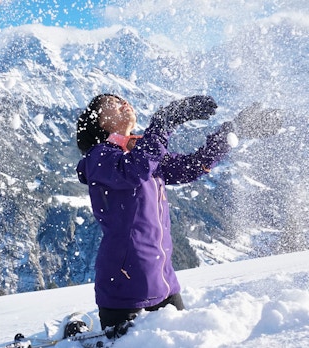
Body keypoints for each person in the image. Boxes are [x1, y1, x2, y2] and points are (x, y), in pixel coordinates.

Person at [76, 94, 236, 336]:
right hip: (125, 293)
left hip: (166, 285)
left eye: (123, 99)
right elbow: (135, 171)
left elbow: (192, 167)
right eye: (112, 102)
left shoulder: (141, 153)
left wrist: (231, 133)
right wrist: (165, 122)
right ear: (100, 122)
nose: (123, 103)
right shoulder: (100, 157)